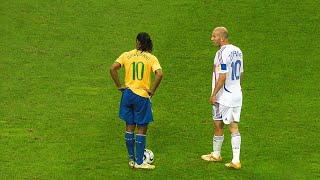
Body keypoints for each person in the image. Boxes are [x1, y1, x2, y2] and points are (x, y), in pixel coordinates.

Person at [110, 32, 163, 170]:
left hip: (127, 94)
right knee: (142, 127)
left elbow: (113, 68)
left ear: (138, 42)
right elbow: (159, 74)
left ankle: (132, 160)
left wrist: (119, 85)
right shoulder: (151, 58)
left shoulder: (126, 55)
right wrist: (152, 90)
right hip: (141, 95)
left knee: (129, 126)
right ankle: (140, 162)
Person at [201, 27, 244, 170]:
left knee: (233, 126)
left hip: (226, 96)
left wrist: (213, 94)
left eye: (214, 36)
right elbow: (241, 73)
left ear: (222, 38)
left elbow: (223, 76)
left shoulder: (221, 53)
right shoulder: (238, 51)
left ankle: (236, 160)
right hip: (234, 94)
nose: (212, 39)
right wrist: (237, 87)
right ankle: (216, 154)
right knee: (217, 123)